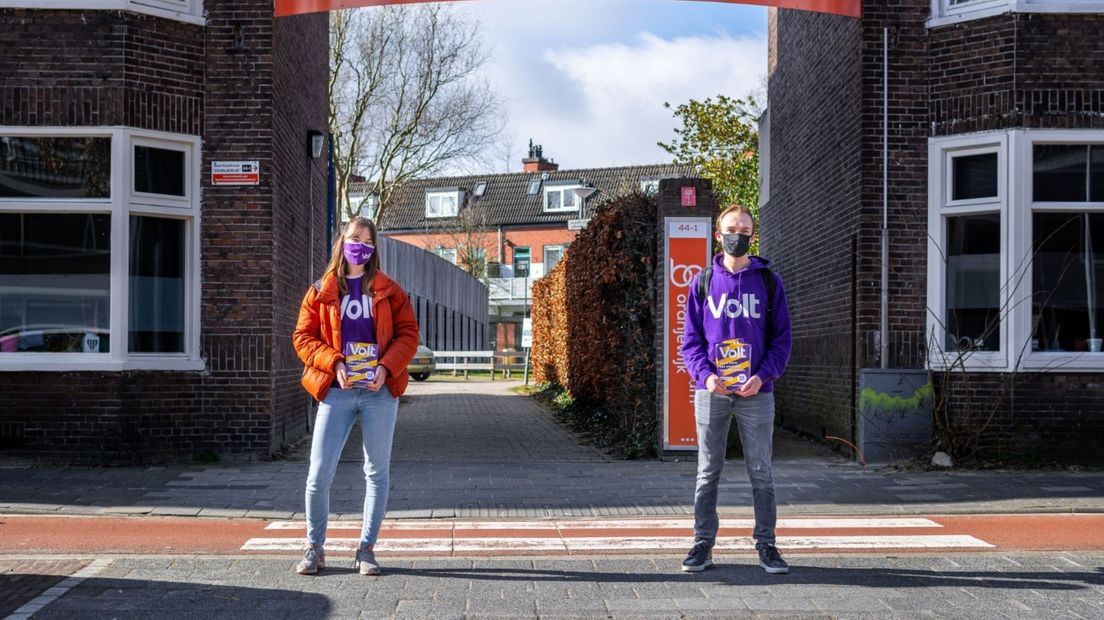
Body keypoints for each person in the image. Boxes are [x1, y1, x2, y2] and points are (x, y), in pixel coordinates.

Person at [292, 216, 419, 576]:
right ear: (341, 242)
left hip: (379, 392)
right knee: (319, 473)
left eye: (367, 240)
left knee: (376, 472)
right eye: (354, 238)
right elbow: (303, 337)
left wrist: (386, 367)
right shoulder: (321, 290)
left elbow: (409, 334)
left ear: (374, 247)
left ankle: (366, 550)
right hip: (337, 392)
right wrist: (333, 363)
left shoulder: (389, 290)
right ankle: (314, 548)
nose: (360, 245)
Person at [678, 204, 793, 574]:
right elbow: (690, 341)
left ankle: (767, 545)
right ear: (718, 234)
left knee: (761, 470)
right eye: (731, 229)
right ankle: (702, 544)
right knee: (708, 470)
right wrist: (707, 377)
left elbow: (782, 340)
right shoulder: (703, 281)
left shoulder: (770, 283)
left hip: (757, 392)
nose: (737, 235)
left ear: (752, 236)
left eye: (744, 230)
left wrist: (762, 376)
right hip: (711, 391)